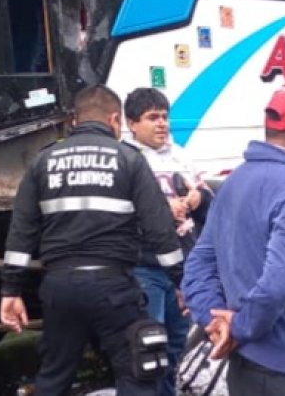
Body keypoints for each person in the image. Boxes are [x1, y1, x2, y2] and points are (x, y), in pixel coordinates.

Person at [0, 85, 186, 396]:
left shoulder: (42, 161)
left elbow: (21, 232)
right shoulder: (129, 159)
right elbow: (160, 230)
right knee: (138, 374)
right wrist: (182, 281)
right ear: (114, 120)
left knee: (54, 376)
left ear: (74, 120)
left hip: (59, 288)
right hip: (114, 288)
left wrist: (11, 290)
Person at [183, 79, 285, 396]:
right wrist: (239, 327)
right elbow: (279, 281)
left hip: (243, 368)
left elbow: (199, 264)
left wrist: (214, 320)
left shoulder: (234, 181)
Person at [125, 87, 214, 396]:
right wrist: (162, 208)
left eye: (164, 117)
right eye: (152, 118)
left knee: (179, 341)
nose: (162, 124)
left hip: (182, 266)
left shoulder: (180, 155)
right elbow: (118, 214)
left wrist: (198, 198)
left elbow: (210, 205)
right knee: (150, 345)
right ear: (132, 123)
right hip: (145, 266)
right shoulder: (126, 159)